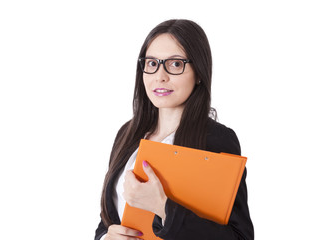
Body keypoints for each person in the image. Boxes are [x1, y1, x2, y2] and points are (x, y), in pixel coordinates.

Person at [94, 19, 254, 240]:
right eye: (152, 64)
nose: (160, 76)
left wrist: (162, 208)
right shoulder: (127, 133)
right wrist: (107, 237)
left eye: (175, 64)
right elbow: (108, 218)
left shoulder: (216, 139)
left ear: (199, 73)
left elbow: (239, 237)